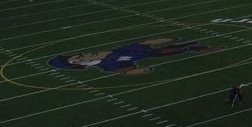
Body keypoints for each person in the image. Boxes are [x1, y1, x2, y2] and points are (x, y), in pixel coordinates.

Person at [47, 37, 222, 76]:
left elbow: (145, 43)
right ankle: (202, 47)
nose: (80, 56)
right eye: (76, 60)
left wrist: (163, 39)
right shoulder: (107, 65)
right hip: (151, 53)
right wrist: (144, 70)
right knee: (179, 49)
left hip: (147, 50)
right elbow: (128, 70)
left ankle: (195, 45)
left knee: (177, 46)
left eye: (76, 56)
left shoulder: (116, 52)